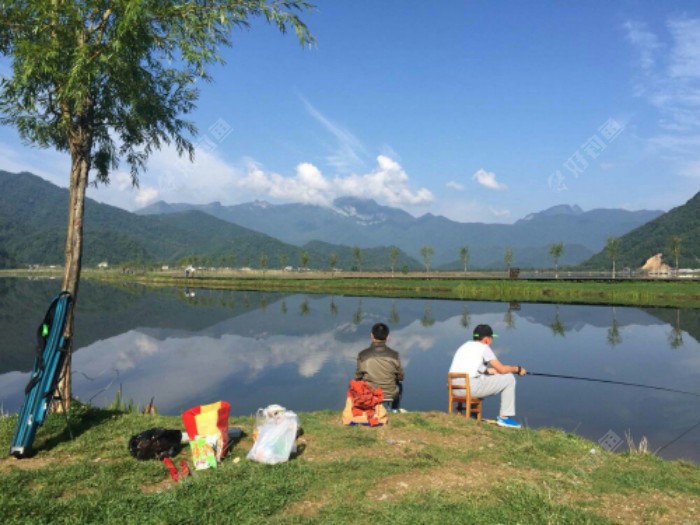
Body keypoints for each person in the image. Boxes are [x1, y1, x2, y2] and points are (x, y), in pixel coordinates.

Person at [449, 324, 526, 428]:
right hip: (470, 389)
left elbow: (472, 367)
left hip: (454, 389)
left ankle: (472, 414)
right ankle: (504, 418)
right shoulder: (484, 348)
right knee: (509, 378)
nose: (491, 341)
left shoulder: (465, 346)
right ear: (486, 339)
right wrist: (517, 369)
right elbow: (502, 369)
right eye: (491, 338)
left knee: (480, 379)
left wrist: (488, 371)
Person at [355, 322, 404, 411]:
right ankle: (394, 409)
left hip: (370, 394)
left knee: (356, 384)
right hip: (390, 394)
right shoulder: (395, 355)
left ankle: (362, 408)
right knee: (399, 385)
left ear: (372, 336)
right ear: (387, 337)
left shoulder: (362, 354)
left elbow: (358, 377)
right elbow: (401, 377)